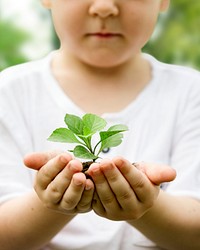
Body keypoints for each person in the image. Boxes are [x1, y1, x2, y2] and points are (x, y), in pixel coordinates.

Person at [0, 0, 200, 249]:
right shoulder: (8, 93)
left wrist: (148, 205)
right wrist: (50, 202)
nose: (104, 7)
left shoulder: (192, 93)